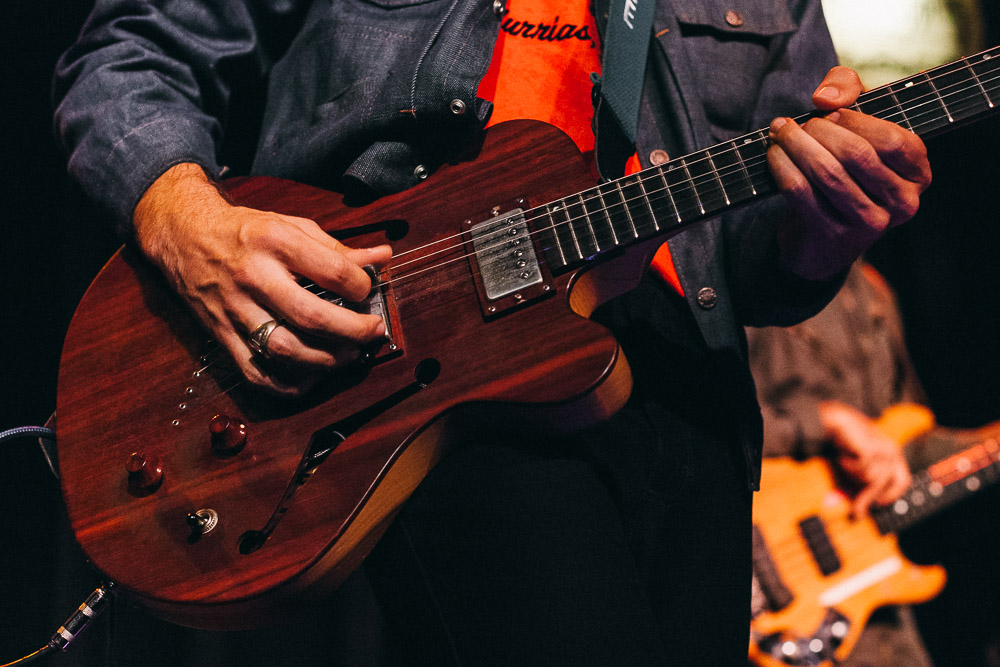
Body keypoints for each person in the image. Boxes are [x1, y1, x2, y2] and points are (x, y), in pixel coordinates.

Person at [52, 1, 931, 664]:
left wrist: (826, 230)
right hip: (420, 346)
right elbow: (130, 50)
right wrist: (192, 225)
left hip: (686, 382)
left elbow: (758, 258)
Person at [748, 260, 1000, 667]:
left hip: (863, 594)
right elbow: (687, 431)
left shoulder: (872, 288)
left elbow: (907, 441)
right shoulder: (739, 272)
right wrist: (823, 421)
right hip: (754, 557)